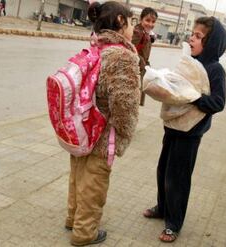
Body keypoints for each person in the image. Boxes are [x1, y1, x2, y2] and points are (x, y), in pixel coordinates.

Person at [142, 16, 226, 243]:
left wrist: (194, 98)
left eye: (198, 36)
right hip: (173, 126)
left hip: (191, 133)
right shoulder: (189, 61)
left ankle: (174, 223)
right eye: (193, 33)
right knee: (163, 170)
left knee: (178, 178)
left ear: (211, 43)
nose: (191, 38)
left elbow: (218, 103)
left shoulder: (215, 69)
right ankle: (162, 208)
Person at [65, 1, 140, 246]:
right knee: (95, 181)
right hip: (102, 129)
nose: (133, 28)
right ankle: (85, 233)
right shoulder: (122, 55)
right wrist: (125, 133)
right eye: (131, 22)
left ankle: (73, 218)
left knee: (78, 174)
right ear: (121, 21)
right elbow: (125, 104)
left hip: (81, 124)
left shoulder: (97, 47)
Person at [131, 7, 158, 106]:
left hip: (141, 68)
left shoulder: (146, 32)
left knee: (135, 100)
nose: (150, 24)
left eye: (153, 21)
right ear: (141, 19)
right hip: (135, 69)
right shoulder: (138, 32)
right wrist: (142, 61)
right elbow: (130, 49)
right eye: (147, 20)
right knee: (132, 99)